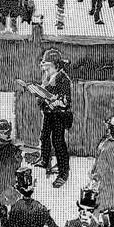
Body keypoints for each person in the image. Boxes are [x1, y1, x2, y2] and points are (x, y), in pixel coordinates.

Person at [34, 47, 72, 187]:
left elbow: (66, 101)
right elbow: (42, 97)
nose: (45, 70)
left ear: (56, 65)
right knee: (44, 136)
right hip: (48, 114)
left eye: (47, 67)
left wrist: (55, 101)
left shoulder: (63, 79)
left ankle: (63, 173)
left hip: (59, 116)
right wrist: (40, 94)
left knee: (58, 142)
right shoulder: (47, 78)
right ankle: (45, 160)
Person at [0, 119, 23, 206]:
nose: (7, 134)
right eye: (5, 132)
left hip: (8, 184)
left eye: (8, 132)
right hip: (3, 184)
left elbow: (17, 165)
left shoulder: (12, 149)